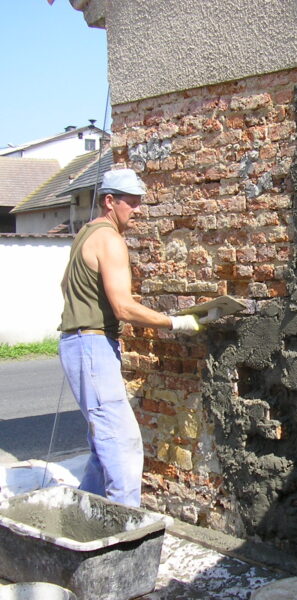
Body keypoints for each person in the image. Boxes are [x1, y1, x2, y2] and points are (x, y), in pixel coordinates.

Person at [58, 168, 200, 507]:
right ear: (110, 201)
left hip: (82, 344)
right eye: (132, 203)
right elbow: (122, 307)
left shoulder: (86, 233)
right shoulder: (110, 240)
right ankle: (125, 528)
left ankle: (83, 516)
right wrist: (175, 322)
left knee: (103, 446)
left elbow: (65, 285)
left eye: (139, 203)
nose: (138, 210)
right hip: (91, 345)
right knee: (122, 446)